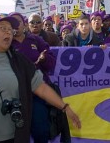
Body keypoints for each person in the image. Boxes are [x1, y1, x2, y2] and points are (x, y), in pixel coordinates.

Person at [0, 14, 81, 143]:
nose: (8, 33)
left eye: (10, 30)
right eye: (3, 28)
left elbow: (41, 88)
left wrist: (65, 107)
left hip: (11, 137)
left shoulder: (19, 61)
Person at [9, 12, 70, 143]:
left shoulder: (36, 40)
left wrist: (44, 59)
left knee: (41, 130)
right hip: (15, 94)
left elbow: (51, 62)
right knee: (17, 132)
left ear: (24, 25)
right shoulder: (6, 43)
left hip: (37, 92)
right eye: (11, 23)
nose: (14, 26)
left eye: (17, 22)